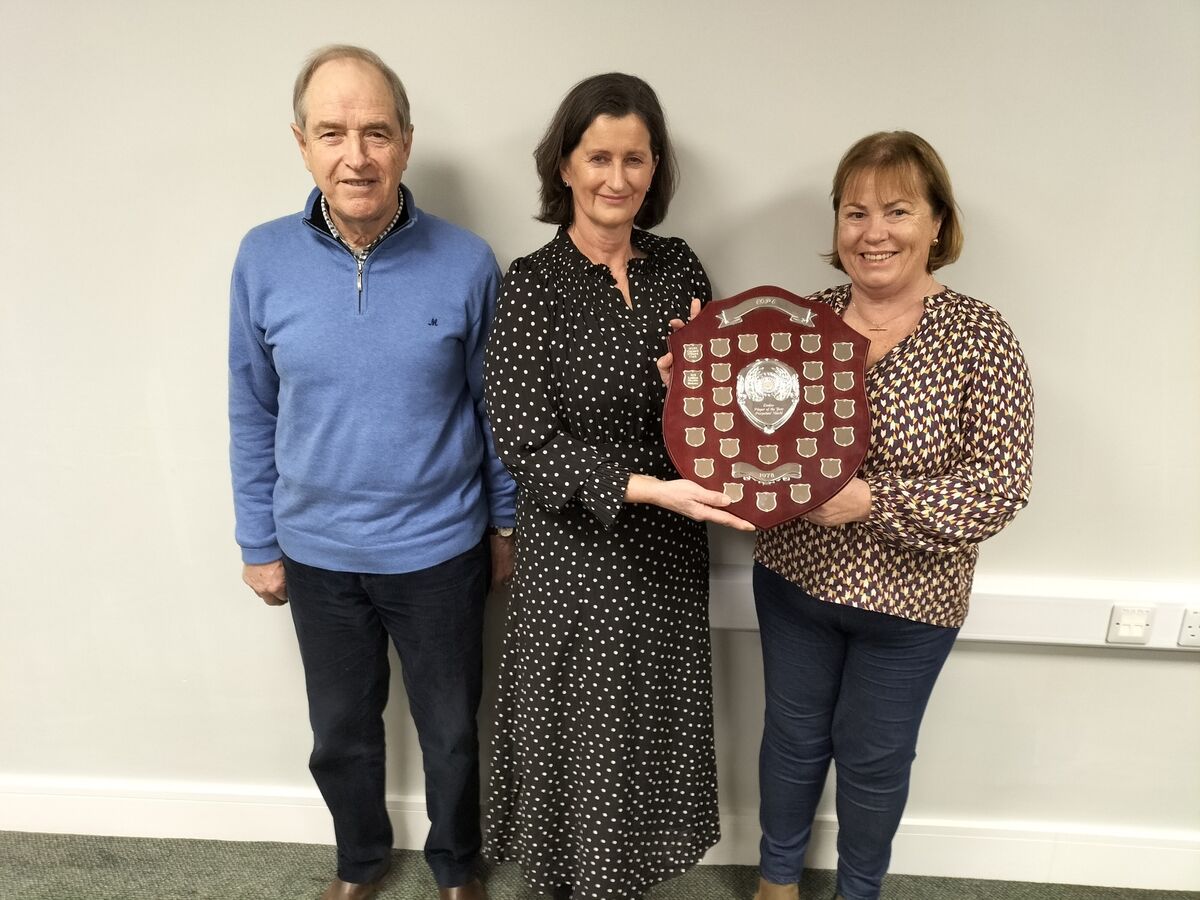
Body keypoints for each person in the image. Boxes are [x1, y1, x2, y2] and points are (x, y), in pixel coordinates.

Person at [228, 45, 515, 900]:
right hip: (317, 553)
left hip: (440, 550)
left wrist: (502, 526)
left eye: (376, 132)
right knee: (341, 733)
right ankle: (359, 863)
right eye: (333, 132)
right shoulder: (262, 258)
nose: (357, 154)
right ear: (302, 143)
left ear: (407, 142)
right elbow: (252, 410)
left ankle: (456, 867)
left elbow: (495, 411)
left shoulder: (468, 262)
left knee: (451, 734)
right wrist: (257, 539)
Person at [482, 73, 754, 900]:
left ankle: (619, 884)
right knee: (579, 734)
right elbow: (524, 438)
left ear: (655, 167)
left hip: (668, 556)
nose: (617, 178)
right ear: (564, 165)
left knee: (645, 734)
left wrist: (692, 387)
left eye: (635, 159)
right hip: (575, 559)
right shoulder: (530, 286)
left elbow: (715, 416)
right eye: (598, 157)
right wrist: (649, 488)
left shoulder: (680, 268)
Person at [748, 132, 1034, 900]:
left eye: (898, 210)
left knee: (874, 759)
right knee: (793, 741)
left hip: (911, 606)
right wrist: (694, 379)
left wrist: (870, 501)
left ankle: (859, 891)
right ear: (837, 228)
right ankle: (776, 882)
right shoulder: (797, 323)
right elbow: (747, 436)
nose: (874, 232)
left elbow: (1001, 486)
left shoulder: (981, 338)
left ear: (937, 223)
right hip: (794, 582)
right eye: (855, 212)